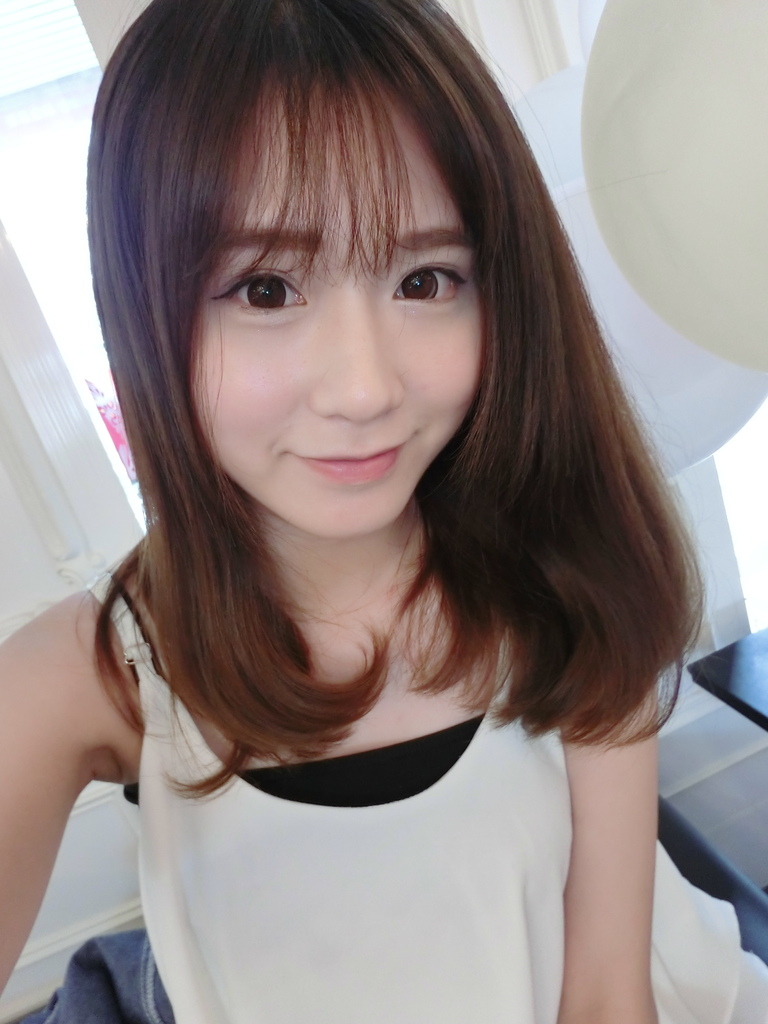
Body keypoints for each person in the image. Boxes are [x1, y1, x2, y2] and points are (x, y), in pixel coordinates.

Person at [2, 0, 768, 1021]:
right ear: (143, 305)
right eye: (266, 290)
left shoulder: (566, 563)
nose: (365, 388)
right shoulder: (92, 673)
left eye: (425, 278)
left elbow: (607, 994)